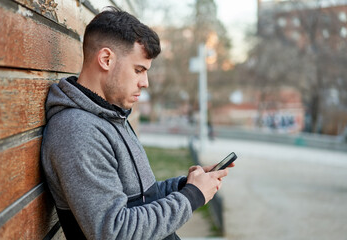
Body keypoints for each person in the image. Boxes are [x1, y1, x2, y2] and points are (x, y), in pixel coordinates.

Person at [41, 6, 233, 240]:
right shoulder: (77, 131)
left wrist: (187, 185)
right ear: (106, 59)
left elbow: (142, 198)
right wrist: (192, 196)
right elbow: (114, 231)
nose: (146, 82)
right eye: (138, 70)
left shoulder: (111, 116)